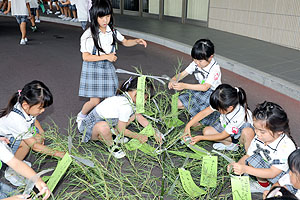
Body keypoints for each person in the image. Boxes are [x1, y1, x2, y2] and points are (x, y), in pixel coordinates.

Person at [77, 0, 147, 124]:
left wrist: (136, 41)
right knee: (95, 101)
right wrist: (106, 57)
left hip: (107, 67)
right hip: (93, 68)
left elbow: (125, 41)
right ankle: (82, 116)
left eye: (108, 16)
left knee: (110, 98)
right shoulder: (88, 35)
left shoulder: (112, 31)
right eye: (102, 17)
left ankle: (107, 122)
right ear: (95, 16)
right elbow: (86, 57)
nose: (105, 20)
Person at [78, 77, 161, 159]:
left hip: (109, 122)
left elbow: (139, 116)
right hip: (89, 129)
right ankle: (111, 146)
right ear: (137, 93)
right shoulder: (125, 106)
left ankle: (110, 134)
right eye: (145, 99)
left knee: (133, 115)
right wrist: (138, 136)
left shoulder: (128, 100)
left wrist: (153, 131)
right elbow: (121, 129)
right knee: (103, 126)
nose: (145, 102)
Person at [229, 101, 297, 193]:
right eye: (255, 128)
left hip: (282, 174)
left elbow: (273, 172)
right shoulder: (259, 137)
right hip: (268, 165)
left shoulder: (286, 146)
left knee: (283, 191)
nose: (257, 133)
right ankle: (263, 186)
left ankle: (272, 188)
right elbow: (248, 156)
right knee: (252, 160)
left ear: (279, 131)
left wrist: (245, 169)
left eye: (262, 131)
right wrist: (236, 166)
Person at [0, 80, 65, 162]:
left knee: (37, 137)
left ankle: (17, 157)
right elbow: (34, 146)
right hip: (3, 141)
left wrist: (41, 132)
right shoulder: (17, 120)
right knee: (26, 144)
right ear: (26, 105)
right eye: (40, 108)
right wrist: (57, 153)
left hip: (14, 134)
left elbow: (33, 120)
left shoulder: (26, 107)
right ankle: (13, 169)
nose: (43, 111)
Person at [184, 84, 255, 151]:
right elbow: (204, 112)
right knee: (207, 132)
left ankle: (238, 145)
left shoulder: (239, 115)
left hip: (239, 134)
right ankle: (230, 145)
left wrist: (201, 138)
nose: (217, 110)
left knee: (247, 133)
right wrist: (188, 125)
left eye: (218, 109)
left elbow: (223, 135)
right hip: (227, 127)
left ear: (230, 108)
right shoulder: (223, 102)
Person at [168, 39, 221, 127]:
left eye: (200, 61)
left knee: (196, 123)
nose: (197, 63)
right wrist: (173, 79)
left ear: (210, 57)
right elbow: (183, 74)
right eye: (195, 59)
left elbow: (205, 87)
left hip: (212, 94)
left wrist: (184, 86)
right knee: (176, 103)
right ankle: (196, 116)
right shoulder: (196, 63)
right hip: (198, 90)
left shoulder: (215, 68)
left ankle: (201, 118)